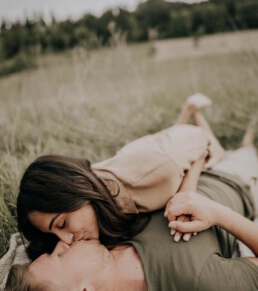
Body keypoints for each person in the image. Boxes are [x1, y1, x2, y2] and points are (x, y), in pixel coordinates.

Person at [3, 123, 258, 291]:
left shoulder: (101, 224)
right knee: (248, 151)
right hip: (241, 179)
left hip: (195, 162)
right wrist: (218, 214)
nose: (61, 243)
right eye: (56, 255)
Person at [17, 93, 226, 260]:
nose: (66, 240)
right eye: (53, 233)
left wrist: (186, 192)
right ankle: (188, 111)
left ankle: (192, 110)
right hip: (144, 152)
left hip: (165, 152)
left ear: (79, 187)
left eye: (62, 224)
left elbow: (201, 140)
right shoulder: (88, 200)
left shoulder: (157, 170)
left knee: (217, 149)